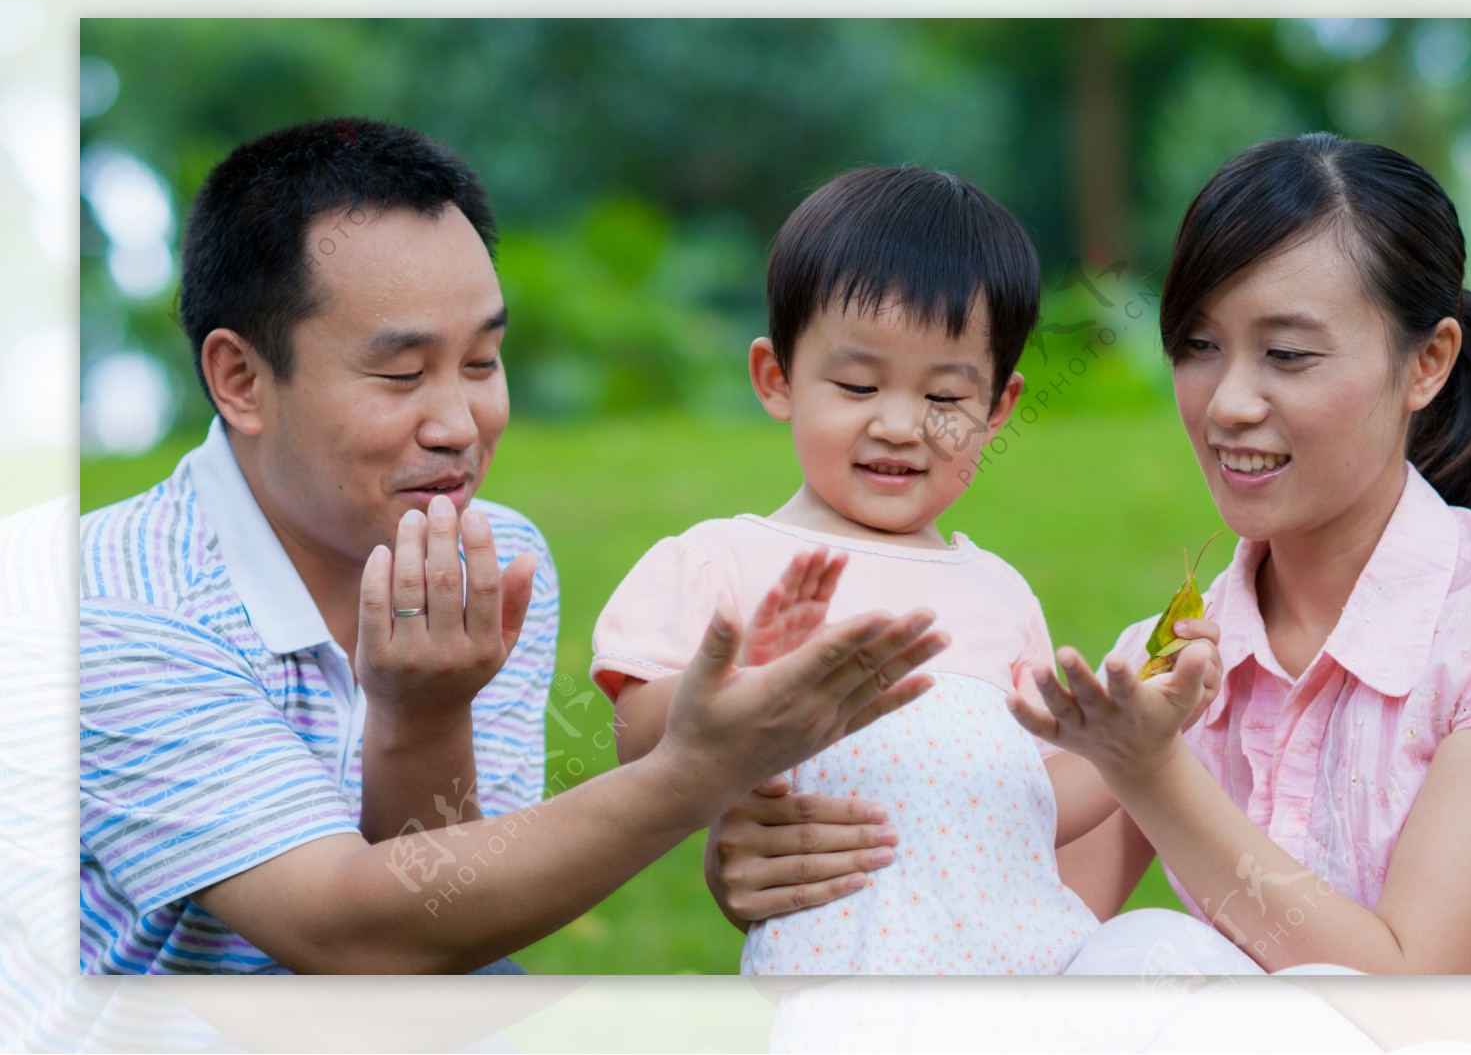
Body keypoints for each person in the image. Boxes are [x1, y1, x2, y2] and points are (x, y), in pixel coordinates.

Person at [78, 118, 946, 976]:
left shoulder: (489, 560)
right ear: (242, 378)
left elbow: (448, 923)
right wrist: (692, 775)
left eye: (484, 362)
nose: (460, 426)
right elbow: (349, 938)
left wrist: (426, 716)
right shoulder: (113, 604)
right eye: (402, 373)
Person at [718, 134, 1471, 977]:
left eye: (1288, 354)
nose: (1231, 403)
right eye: (1198, 346)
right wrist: (783, 859)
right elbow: (1009, 936)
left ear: (1427, 362)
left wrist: (1157, 769)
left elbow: (1416, 988)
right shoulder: (1166, 664)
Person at [588, 166, 1220, 975]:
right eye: (856, 384)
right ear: (776, 378)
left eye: (946, 398)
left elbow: (1023, 809)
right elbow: (639, 750)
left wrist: (1139, 735)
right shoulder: (723, 561)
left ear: (996, 408)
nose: (897, 424)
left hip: (1027, 988)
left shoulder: (999, 594)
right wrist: (752, 679)